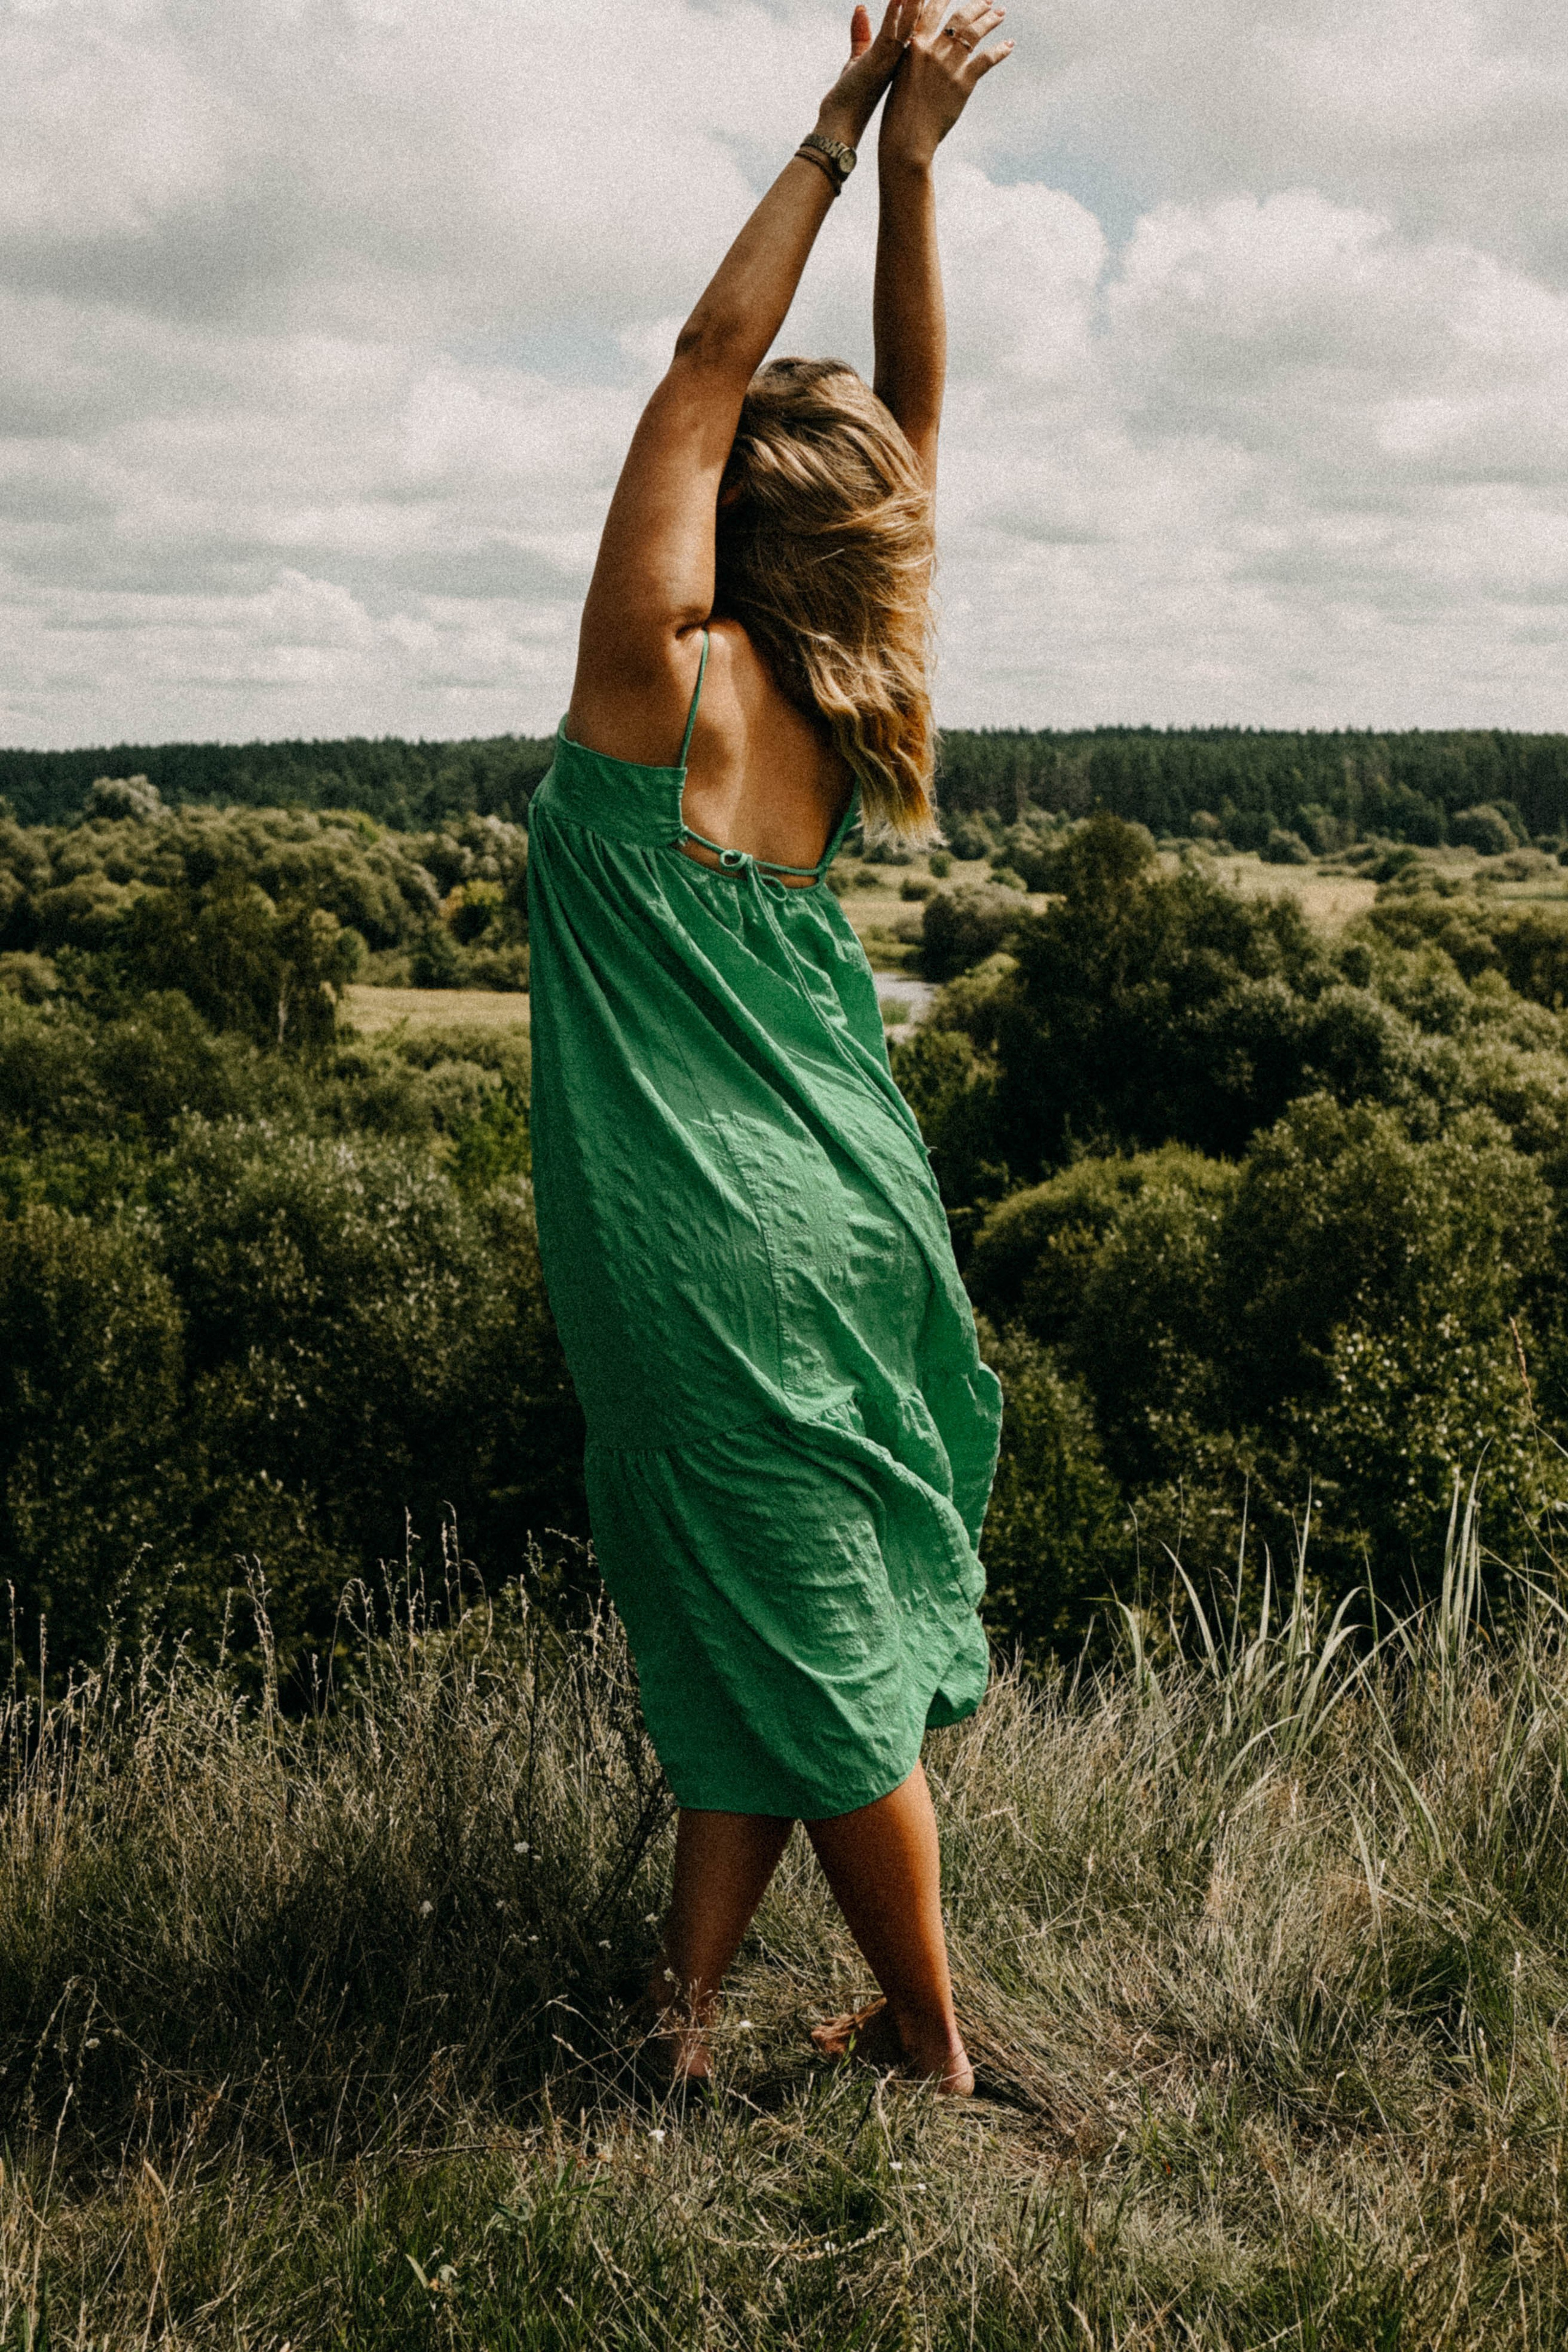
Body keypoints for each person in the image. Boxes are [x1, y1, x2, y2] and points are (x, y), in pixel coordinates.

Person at [527, 0, 1013, 2097]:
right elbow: (892, 417)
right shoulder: (835, 698)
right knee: (751, 1618)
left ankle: (931, 2045)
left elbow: (696, 373)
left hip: (697, 1249)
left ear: (734, 516)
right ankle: (683, 2016)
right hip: (843, 1204)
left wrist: (828, 133)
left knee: (807, 1663)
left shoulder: (663, 687)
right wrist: (916, 170)